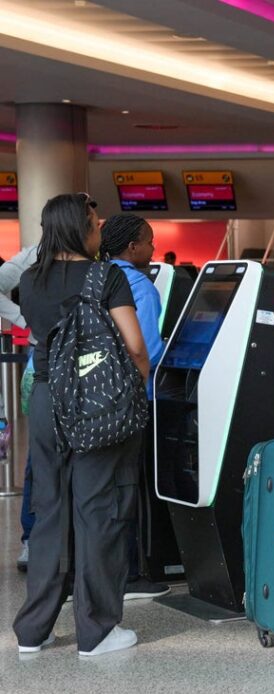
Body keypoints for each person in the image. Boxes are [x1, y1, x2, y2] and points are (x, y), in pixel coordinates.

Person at [13, 193, 149, 657]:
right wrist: (141, 377)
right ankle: (97, 631)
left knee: (49, 511)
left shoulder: (32, 279)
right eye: (94, 223)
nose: (98, 230)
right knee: (99, 510)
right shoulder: (105, 275)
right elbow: (133, 343)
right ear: (79, 228)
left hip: (48, 398)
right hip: (96, 402)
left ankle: (34, 631)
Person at [99, 214, 170, 601]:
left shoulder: (96, 275)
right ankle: (131, 573)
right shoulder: (139, 285)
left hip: (95, 397)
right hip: (132, 396)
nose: (153, 248)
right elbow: (145, 347)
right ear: (132, 247)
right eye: (148, 241)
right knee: (131, 486)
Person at [0, 244, 37, 572]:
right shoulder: (33, 255)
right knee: (40, 456)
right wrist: (23, 318)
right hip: (41, 361)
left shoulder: (95, 259)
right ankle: (31, 538)